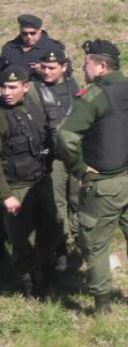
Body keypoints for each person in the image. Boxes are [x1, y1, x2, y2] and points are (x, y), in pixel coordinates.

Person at [56, 39, 128, 314]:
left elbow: (65, 136)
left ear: (102, 66)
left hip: (105, 184)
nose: (83, 69)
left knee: (96, 243)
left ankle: (102, 306)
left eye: (86, 64)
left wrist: (79, 169)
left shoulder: (95, 96)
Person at [0, 65, 60, 298]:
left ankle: (47, 276)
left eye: (12, 87)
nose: (6, 92)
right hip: (16, 186)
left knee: (50, 228)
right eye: (3, 87)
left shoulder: (33, 108)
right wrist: (6, 195)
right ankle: (29, 287)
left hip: (40, 180)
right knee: (21, 239)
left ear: (25, 87)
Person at [33, 49, 80, 274]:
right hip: (54, 157)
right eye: (43, 67)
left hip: (78, 153)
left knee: (78, 200)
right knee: (57, 203)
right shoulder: (37, 91)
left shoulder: (74, 87)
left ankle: (81, 244)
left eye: (52, 67)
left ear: (64, 67)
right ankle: (62, 248)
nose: (46, 71)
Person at [1, 14, 67, 81]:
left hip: (42, 88)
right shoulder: (9, 47)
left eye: (32, 33)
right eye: (25, 33)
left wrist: (43, 70)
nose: (29, 37)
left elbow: (67, 73)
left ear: (40, 30)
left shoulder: (53, 47)